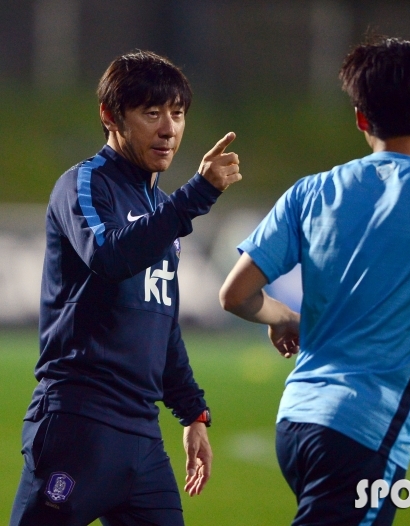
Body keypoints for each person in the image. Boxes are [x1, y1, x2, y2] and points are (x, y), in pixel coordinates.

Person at [219, 35, 410, 526]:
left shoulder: (312, 191)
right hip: (362, 434)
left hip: (296, 421)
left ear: (360, 117)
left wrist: (288, 318)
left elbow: (236, 295)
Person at [10, 50, 241, 526]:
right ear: (110, 116)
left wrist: (192, 411)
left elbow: (162, 320)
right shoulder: (84, 184)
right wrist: (196, 195)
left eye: (176, 114)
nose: (168, 129)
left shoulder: (157, 208)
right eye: (151, 112)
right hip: (78, 424)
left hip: (142, 439)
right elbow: (109, 256)